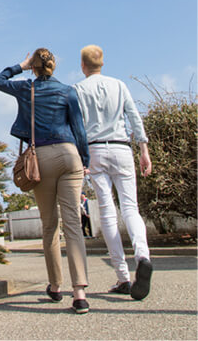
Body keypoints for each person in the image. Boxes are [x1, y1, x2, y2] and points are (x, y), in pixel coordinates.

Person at [0, 48, 91, 314]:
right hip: (70, 156)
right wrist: (85, 161)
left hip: (42, 158)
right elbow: (79, 129)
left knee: (50, 226)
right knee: (73, 225)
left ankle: (56, 286)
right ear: (54, 67)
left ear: (34, 67)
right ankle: (79, 293)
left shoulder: (26, 89)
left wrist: (19, 66)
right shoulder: (69, 91)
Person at [74, 45, 153, 300]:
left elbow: (77, 126)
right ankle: (142, 256)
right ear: (103, 63)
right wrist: (143, 149)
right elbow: (134, 116)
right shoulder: (119, 85)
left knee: (107, 212)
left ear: (83, 65)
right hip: (121, 148)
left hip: (95, 150)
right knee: (130, 208)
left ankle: (123, 277)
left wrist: (80, 156)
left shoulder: (78, 89)